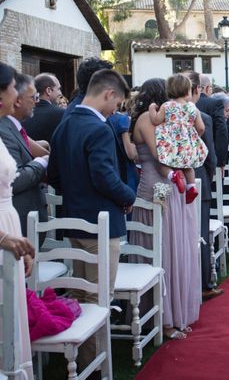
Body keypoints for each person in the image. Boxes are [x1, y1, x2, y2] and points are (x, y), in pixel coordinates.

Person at [48, 68, 136, 372]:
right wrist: (128, 195)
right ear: (108, 94)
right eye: (117, 104)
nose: (116, 111)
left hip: (73, 220)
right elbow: (104, 176)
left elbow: (54, 174)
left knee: (81, 293)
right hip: (101, 224)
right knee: (99, 296)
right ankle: (95, 365)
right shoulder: (98, 128)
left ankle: (79, 360)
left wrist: (75, 196)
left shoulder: (66, 122)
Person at [130, 78, 201, 340]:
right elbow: (161, 154)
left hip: (168, 187)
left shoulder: (155, 118)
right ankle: (165, 318)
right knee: (164, 249)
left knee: (173, 247)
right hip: (158, 189)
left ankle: (172, 311)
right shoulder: (148, 120)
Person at [0, 62, 35, 380]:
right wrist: (3, 238)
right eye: (13, 87)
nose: (18, 93)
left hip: (9, 219)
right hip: (1, 229)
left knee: (10, 308)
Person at [184, 73, 221, 300]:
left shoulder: (161, 115)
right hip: (198, 181)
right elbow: (210, 156)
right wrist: (208, 176)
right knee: (201, 234)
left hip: (175, 181)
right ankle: (205, 283)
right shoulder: (202, 117)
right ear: (197, 89)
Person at [148, 74, 208, 205]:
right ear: (188, 90)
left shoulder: (167, 106)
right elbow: (202, 128)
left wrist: (152, 109)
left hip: (171, 144)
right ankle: (191, 187)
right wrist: (193, 136)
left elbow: (156, 120)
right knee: (188, 167)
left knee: (162, 164)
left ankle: (172, 176)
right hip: (186, 144)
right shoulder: (193, 107)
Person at [0, 74, 48, 236]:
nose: (37, 101)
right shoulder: (3, 129)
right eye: (33, 97)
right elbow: (13, 180)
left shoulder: (12, 127)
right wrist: (41, 163)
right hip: (13, 227)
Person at [22, 72, 64, 144]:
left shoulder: (22, 114)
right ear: (48, 91)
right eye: (58, 89)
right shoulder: (61, 113)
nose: (60, 93)